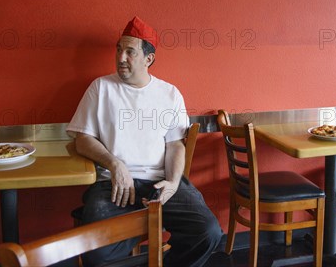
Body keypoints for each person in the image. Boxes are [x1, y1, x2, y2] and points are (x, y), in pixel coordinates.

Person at [67, 16, 222, 267]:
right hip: (113, 185)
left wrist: (172, 182)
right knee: (97, 251)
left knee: (208, 232)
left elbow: (175, 145)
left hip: (160, 183)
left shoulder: (169, 94)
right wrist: (115, 164)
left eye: (130, 52)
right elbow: (82, 139)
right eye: (118, 50)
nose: (120, 58)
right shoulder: (100, 88)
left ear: (148, 59)